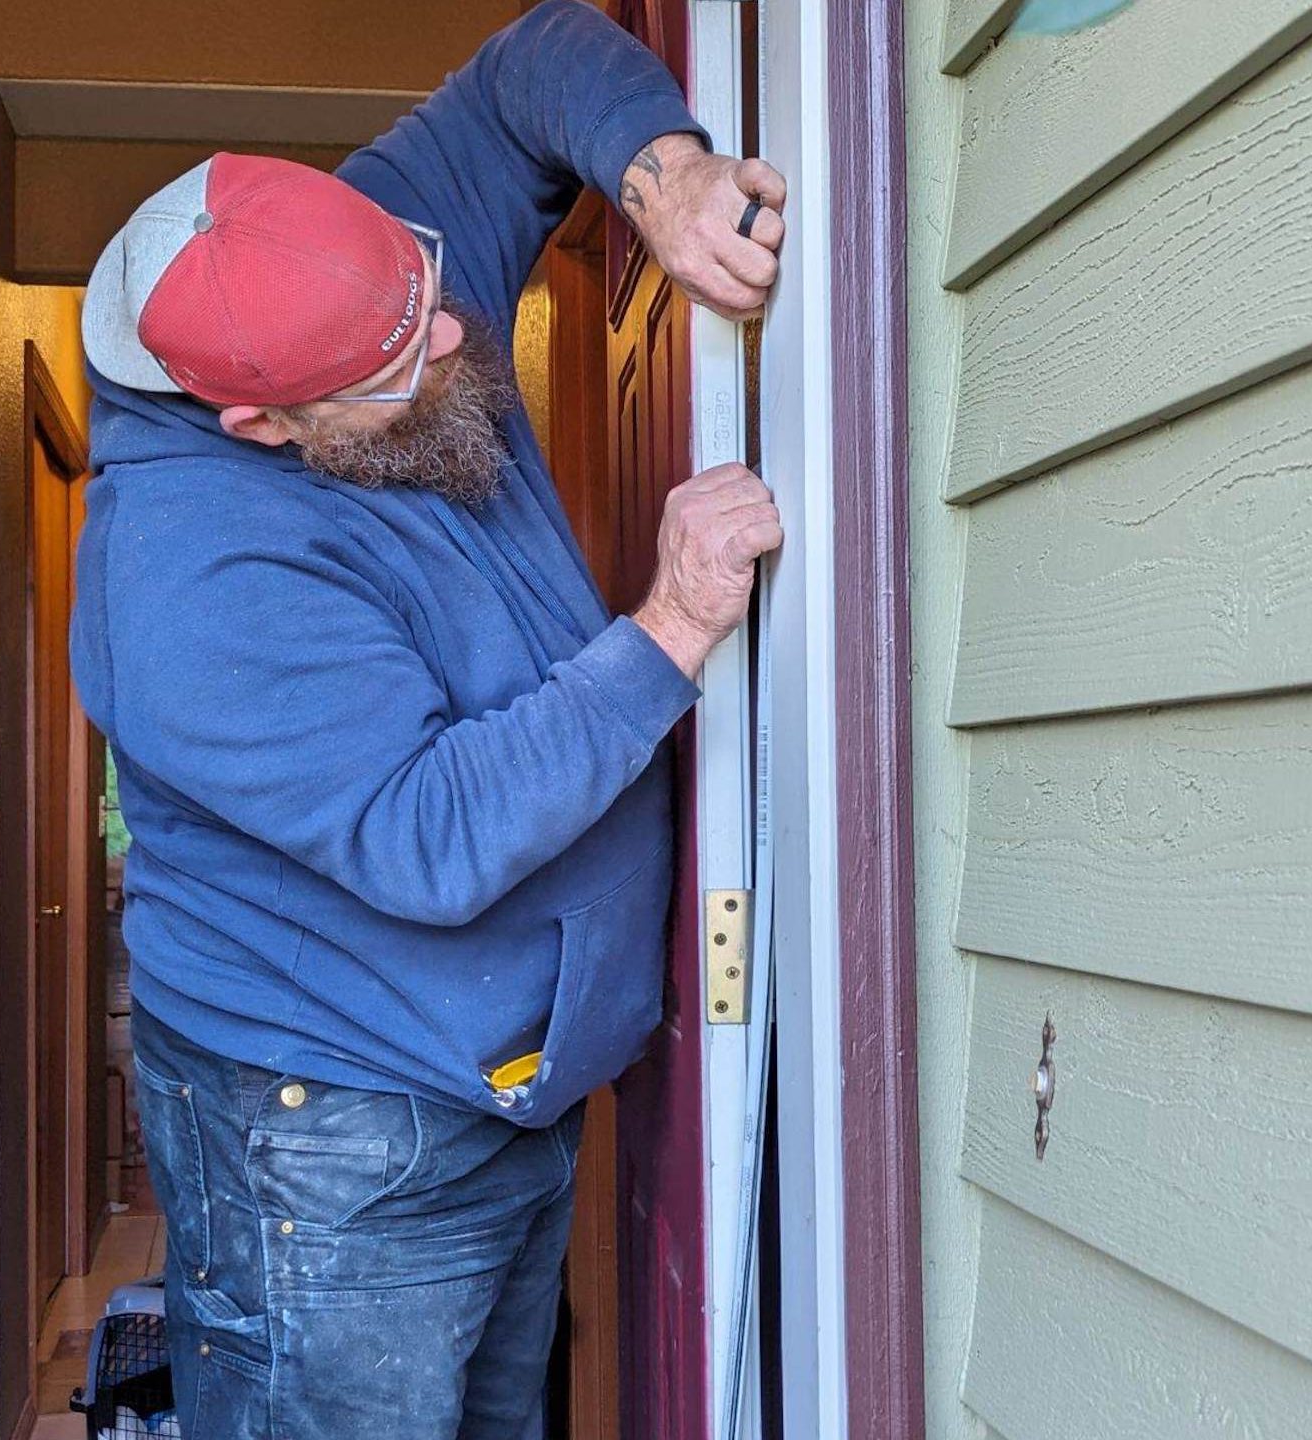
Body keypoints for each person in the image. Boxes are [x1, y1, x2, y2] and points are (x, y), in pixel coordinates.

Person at [70, 3, 785, 1436]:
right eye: (400, 363)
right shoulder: (188, 574)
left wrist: (670, 175)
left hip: (492, 1094)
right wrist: (672, 630)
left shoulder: (374, 263)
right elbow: (425, 834)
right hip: (329, 1143)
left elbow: (536, 63)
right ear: (267, 427)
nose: (462, 336)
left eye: (428, 291)